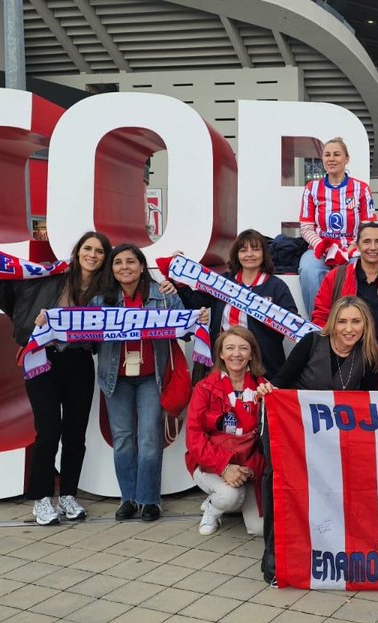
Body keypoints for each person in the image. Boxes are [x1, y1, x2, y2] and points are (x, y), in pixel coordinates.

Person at [0, 232, 112, 525]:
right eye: (88, 248)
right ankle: (42, 498)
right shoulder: (51, 275)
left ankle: (69, 494)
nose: (93, 255)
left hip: (80, 361)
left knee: (75, 432)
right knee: (48, 430)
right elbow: (8, 290)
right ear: (77, 251)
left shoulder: (106, 290)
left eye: (99, 251)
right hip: (43, 360)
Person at [256, 296, 378, 586]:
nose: (348, 328)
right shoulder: (312, 343)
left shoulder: (370, 357)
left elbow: (366, 405)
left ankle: (325, 554)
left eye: (356, 321)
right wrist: (267, 391)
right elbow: (281, 384)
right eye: (342, 321)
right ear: (332, 323)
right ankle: (275, 563)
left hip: (331, 439)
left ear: (365, 325)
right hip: (290, 429)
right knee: (282, 489)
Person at [92, 244, 204, 522]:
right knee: (123, 440)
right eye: (118, 263)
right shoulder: (100, 300)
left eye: (131, 261)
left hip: (152, 378)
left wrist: (198, 318)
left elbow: (187, 330)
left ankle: (149, 500)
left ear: (142, 266)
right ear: (112, 269)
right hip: (115, 379)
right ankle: (128, 499)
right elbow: (87, 338)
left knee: (150, 439)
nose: (124, 267)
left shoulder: (163, 296)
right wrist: (53, 323)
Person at [173, 230, 297, 378]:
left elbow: (292, 322)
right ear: (236, 255)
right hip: (223, 359)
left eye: (255, 249)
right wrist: (180, 280)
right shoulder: (223, 281)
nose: (249, 254)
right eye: (243, 250)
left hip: (263, 363)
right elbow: (194, 302)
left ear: (264, 254)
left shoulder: (277, 286)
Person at [186, 326, 267, 536]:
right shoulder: (205, 388)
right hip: (211, 463)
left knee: (259, 529)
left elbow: (270, 439)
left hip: (248, 465)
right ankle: (214, 507)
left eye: (243, 348)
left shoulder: (263, 388)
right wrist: (225, 467)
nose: (236, 354)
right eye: (229, 348)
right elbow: (194, 439)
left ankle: (226, 495)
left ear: (251, 354)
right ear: (221, 354)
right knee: (231, 496)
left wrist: (249, 468)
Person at [312, 222, 378, 366]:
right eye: (366, 242)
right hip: (345, 359)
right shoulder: (335, 277)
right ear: (357, 246)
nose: (373, 247)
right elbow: (320, 317)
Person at [297, 137, 377, 314]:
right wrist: (324, 247)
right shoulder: (312, 188)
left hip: (353, 249)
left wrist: (350, 249)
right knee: (309, 270)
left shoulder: (361, 188)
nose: (331, 159)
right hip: (320, 249)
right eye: (327, 155)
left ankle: (354, 322)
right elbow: (306, 227)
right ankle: (318, 326)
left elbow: (368, 227)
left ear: (346, 159)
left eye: (336, 154)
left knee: (359, 272)